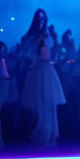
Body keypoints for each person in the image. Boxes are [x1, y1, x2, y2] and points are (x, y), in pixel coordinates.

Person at [19, 9, 66, 145]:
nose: (41, 20)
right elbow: (28, 53)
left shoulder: (47, 36)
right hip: (37, 70)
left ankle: (51, 133)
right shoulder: (31, 37)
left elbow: (52, 52)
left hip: (47, 69)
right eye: (39, 18)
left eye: (43, 18)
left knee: (50, 103)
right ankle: (41, 133)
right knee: (39, 104)